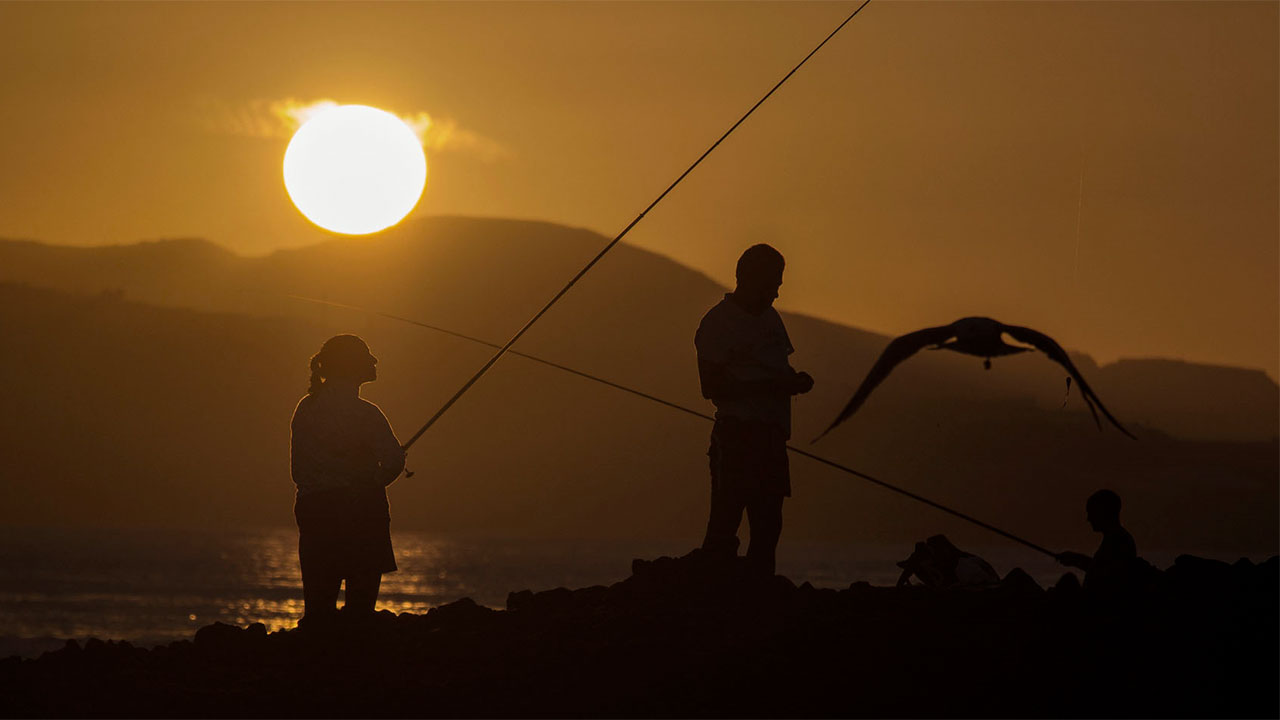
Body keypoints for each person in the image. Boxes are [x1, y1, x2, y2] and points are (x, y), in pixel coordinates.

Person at [694, 244, 814, 575]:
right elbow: (711, 387)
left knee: (768, 523)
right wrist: (777, 388)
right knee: (725, 521)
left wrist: (794, 380)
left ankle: (759, 589)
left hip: (772, 437)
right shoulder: (717, 324)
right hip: (736, 436)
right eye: (774, 282)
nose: (777, 291)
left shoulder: (771, 319)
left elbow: (775, 368)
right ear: (751, 279)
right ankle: (713, 593)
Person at [290, 334, 406, 627]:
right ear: (350, 366)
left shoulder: (306, 408)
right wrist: (371, 481)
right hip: (362, 514)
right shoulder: (367, 415)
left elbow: (300, 471)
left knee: (318, 612)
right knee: (360, 615)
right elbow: (393, 460)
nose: (374, 360)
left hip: (315, 512)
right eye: (367, 355)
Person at [1056, 489, 1138, 593]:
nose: (1088, 518)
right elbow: (1101, 568)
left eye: (1091, 513)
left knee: (1068, 581)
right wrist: (1075, 559)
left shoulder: (1118, 541)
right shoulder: (1118, 538)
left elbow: (1105, 574)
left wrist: (1076, 560)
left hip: (1101, 604)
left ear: (1103, 512)